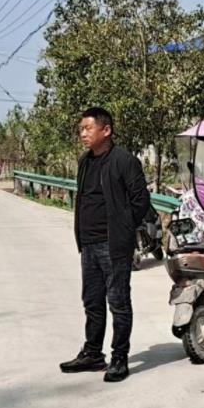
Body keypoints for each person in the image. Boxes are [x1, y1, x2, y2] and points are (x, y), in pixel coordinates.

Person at [60, 107, 150, 383]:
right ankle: (92, 354)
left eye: (88, 128)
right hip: (88, 244)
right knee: (92, 301)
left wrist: (123, 229)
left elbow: (141, 202)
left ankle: (119, 357)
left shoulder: (124, 161)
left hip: (113, 245)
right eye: (81, 129)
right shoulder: (85, 161)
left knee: (118, 302)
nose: (83, 134)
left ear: (106, 130)